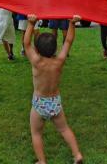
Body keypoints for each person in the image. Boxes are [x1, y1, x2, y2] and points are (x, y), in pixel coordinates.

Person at [24, 14, 83, 164]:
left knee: (36, 133)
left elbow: (26, 44)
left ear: (37, 48)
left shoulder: (36, 61)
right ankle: (77, 155)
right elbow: (68, 41)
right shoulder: (59, 61)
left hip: (39, 103)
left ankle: (42, 161)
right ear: (55, 48)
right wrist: (71, 24)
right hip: (55, 102)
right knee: (64, 129)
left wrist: (31, 24)